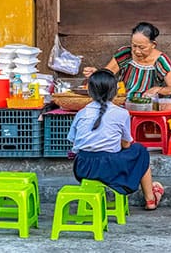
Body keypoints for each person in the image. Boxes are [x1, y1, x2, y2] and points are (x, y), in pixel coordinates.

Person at [68, 69, 165, 210]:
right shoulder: (122, 113)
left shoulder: (81, 113)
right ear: (115, 91)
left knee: (122, 154)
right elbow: (126, 144)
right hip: (107, 167)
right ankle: (150, 199)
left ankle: (149, 196)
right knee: (140, 151)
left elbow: (73, 140)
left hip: (83, 168)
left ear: (89, 91)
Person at [82, 22, 171, 108]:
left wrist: (157, 89)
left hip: (148, 100)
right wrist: (97, 73)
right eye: (134, 45)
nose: (136, 51)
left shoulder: (161, 60)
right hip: (124, 97)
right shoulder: (125, 53)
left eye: (142, 47)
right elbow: (107, 74)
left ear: (153, 45)